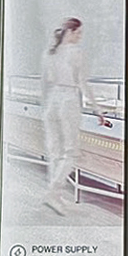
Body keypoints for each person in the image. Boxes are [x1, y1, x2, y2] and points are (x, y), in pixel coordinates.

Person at [42, 17, 86, 206]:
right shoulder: (75, 52)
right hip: (68, 100)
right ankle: (53, 192)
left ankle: (55, 196)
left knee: (55, 152)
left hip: (53, 100)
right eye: (78, 33)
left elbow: (49, 79)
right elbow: (83, 83)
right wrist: (98, 109)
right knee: (71, 152)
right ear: (70, 32)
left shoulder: (50, 52)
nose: (80, 37)